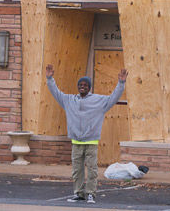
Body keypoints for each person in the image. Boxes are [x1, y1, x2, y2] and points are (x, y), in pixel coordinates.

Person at [45, 64, 127, 204]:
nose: (82, 86)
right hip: (76, 142)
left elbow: (113, 97)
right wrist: (49, 78)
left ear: (89, 88)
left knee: (92, 170)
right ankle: (79, 193)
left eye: (85, 85)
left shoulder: (99, 101)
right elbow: (56, 92)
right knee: (77, 171)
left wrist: (121, 83)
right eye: (80, 84)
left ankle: (90, 194)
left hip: (91, 142)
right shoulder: (69, 100)